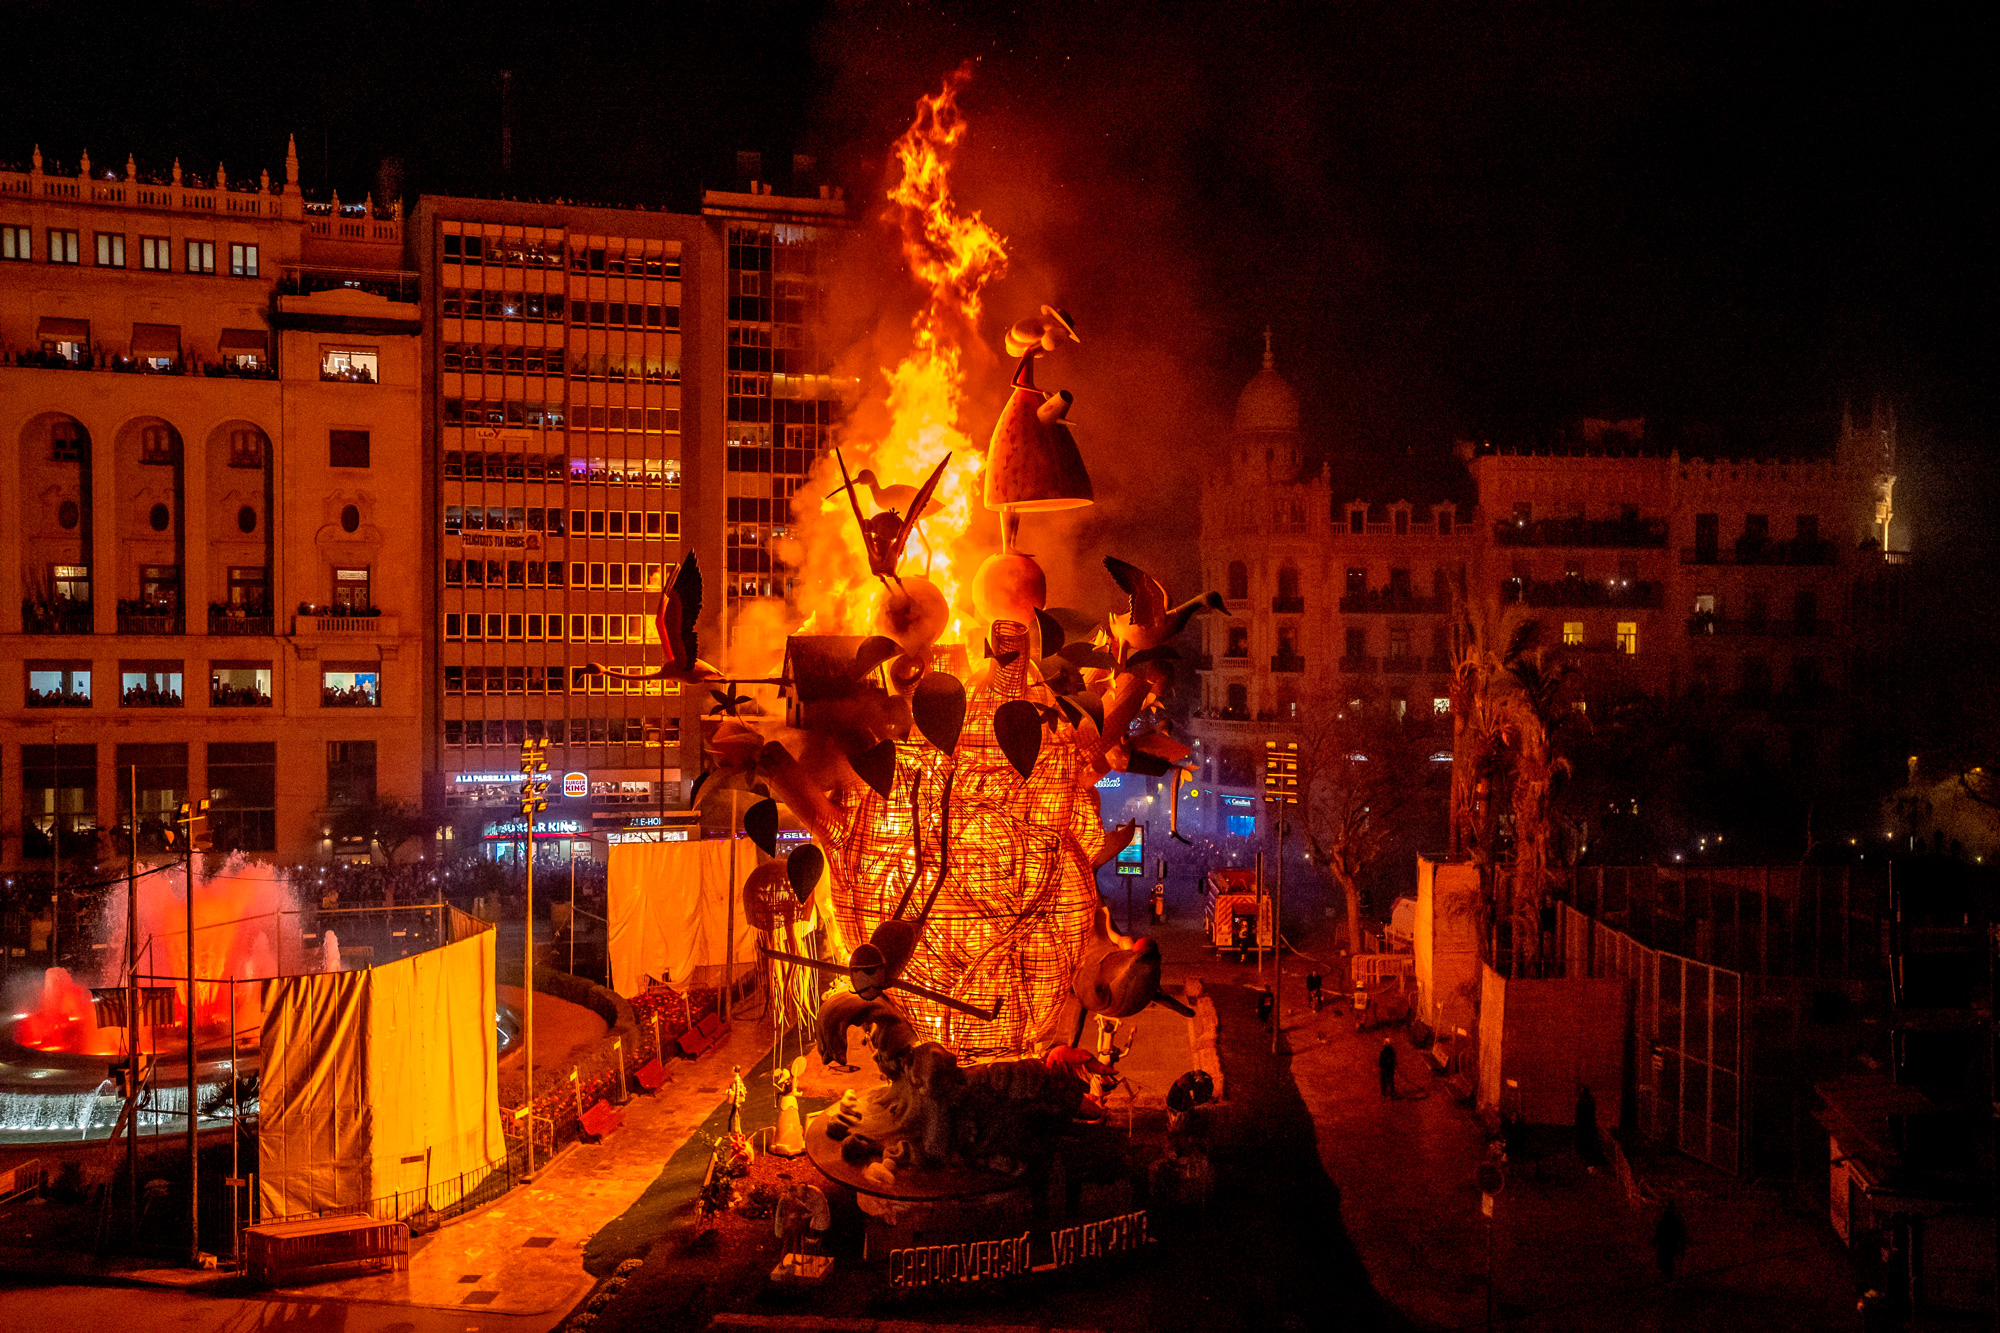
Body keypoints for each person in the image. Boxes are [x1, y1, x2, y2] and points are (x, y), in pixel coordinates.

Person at [1653, 1197, 1688, 1283]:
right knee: (1667, 1261)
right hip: (1668, 1244)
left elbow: (1680, 1234)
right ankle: (1668, 1277)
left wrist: (1655, 1241)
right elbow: (1680, 1234)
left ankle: (1668, 1277)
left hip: (1668, 1244)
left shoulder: (1669, 1220)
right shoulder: (1672, 1220)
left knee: (1667, 1260)